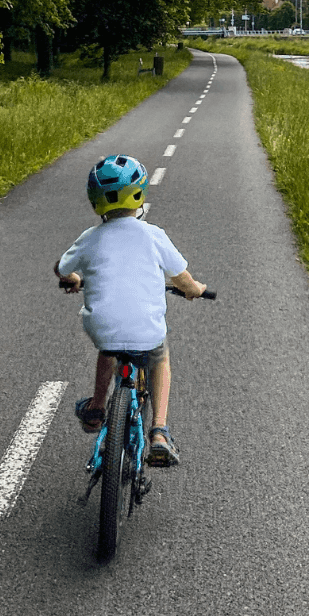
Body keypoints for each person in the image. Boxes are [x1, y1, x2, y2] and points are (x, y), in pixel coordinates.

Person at [55, 154, 206, 467]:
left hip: (102, 328)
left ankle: (97, 406)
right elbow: (183, 279)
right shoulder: (153, 235)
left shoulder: (89, 238)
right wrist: (195, 291)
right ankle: (160, 432)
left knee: (109, 349)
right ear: (140, 193)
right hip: (146, 331)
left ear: (95, 201)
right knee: (159, 358)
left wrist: (73, 280)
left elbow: (61, 268)